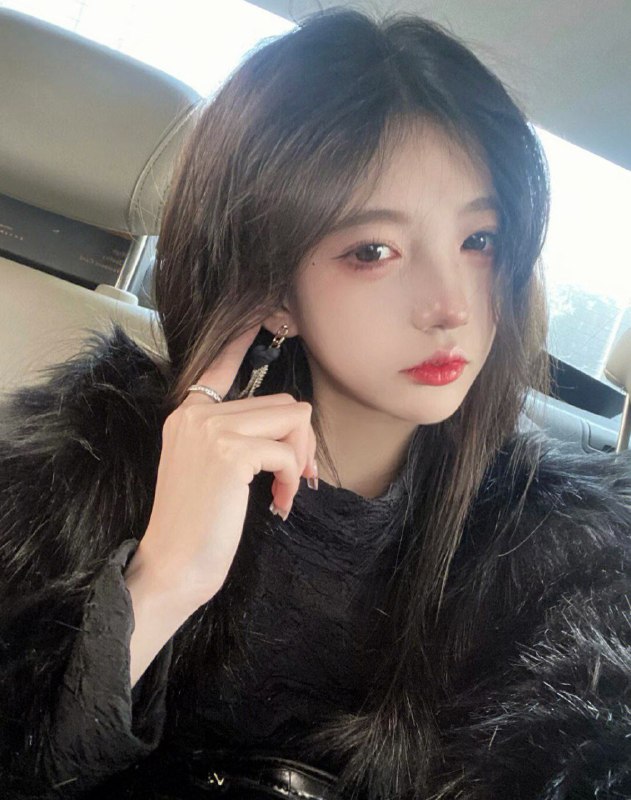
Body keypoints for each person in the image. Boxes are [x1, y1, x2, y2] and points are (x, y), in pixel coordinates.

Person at [1, 8, 630, 800]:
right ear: (273, 288)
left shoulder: (575, 559)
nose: (450, 305)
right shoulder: (86, 463)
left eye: (479, 241)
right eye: (373, 250)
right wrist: (161, 582)